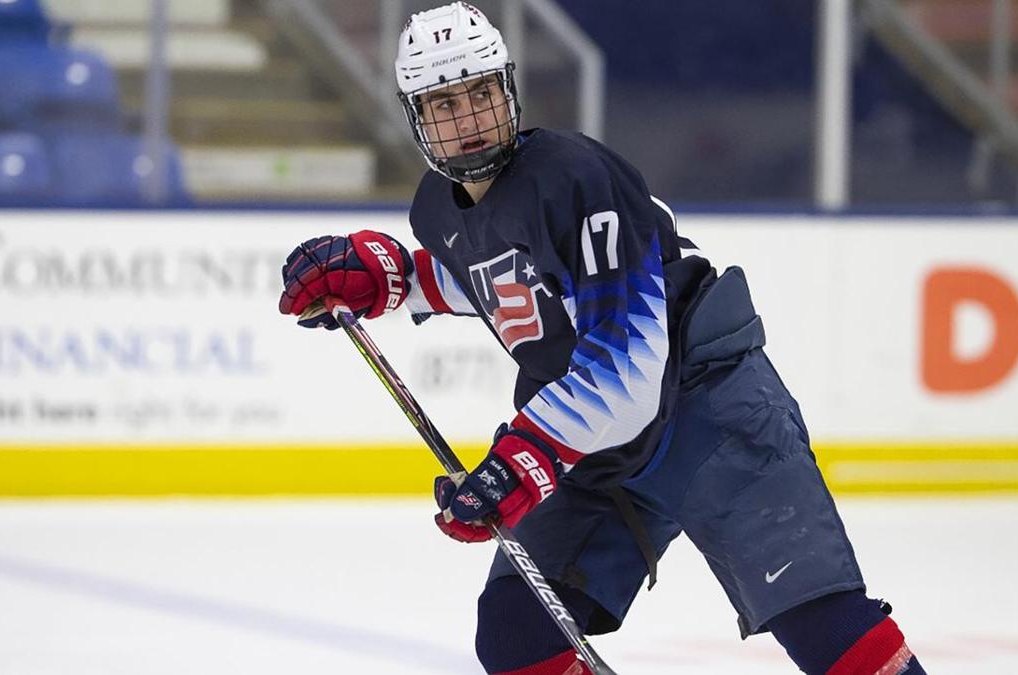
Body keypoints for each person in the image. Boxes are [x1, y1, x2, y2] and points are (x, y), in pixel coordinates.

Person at [278, 3, 926, 674]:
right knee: (516, 633)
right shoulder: (438, 209)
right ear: (416, 116)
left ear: (508, 88)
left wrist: (520, 463)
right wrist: (392, 277)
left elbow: (627, 366)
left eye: (480, 92)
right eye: (444, 103)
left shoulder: (576, 179)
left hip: (707, 409)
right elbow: (504, 284)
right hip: (598, 447)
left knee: (825, 626)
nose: (468, 117)